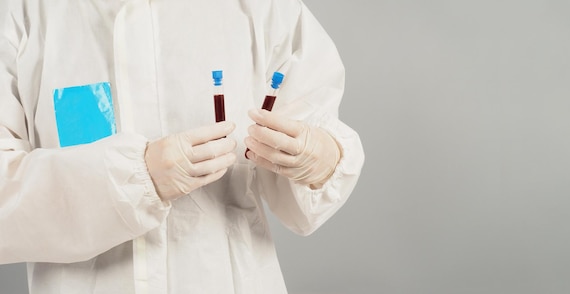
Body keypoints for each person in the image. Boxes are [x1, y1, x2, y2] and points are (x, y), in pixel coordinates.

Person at [0, 0, 364, 293]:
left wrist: (323, 159)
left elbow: (298, 194)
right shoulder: (21, 13)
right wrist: (134, 179)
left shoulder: (265, 10)